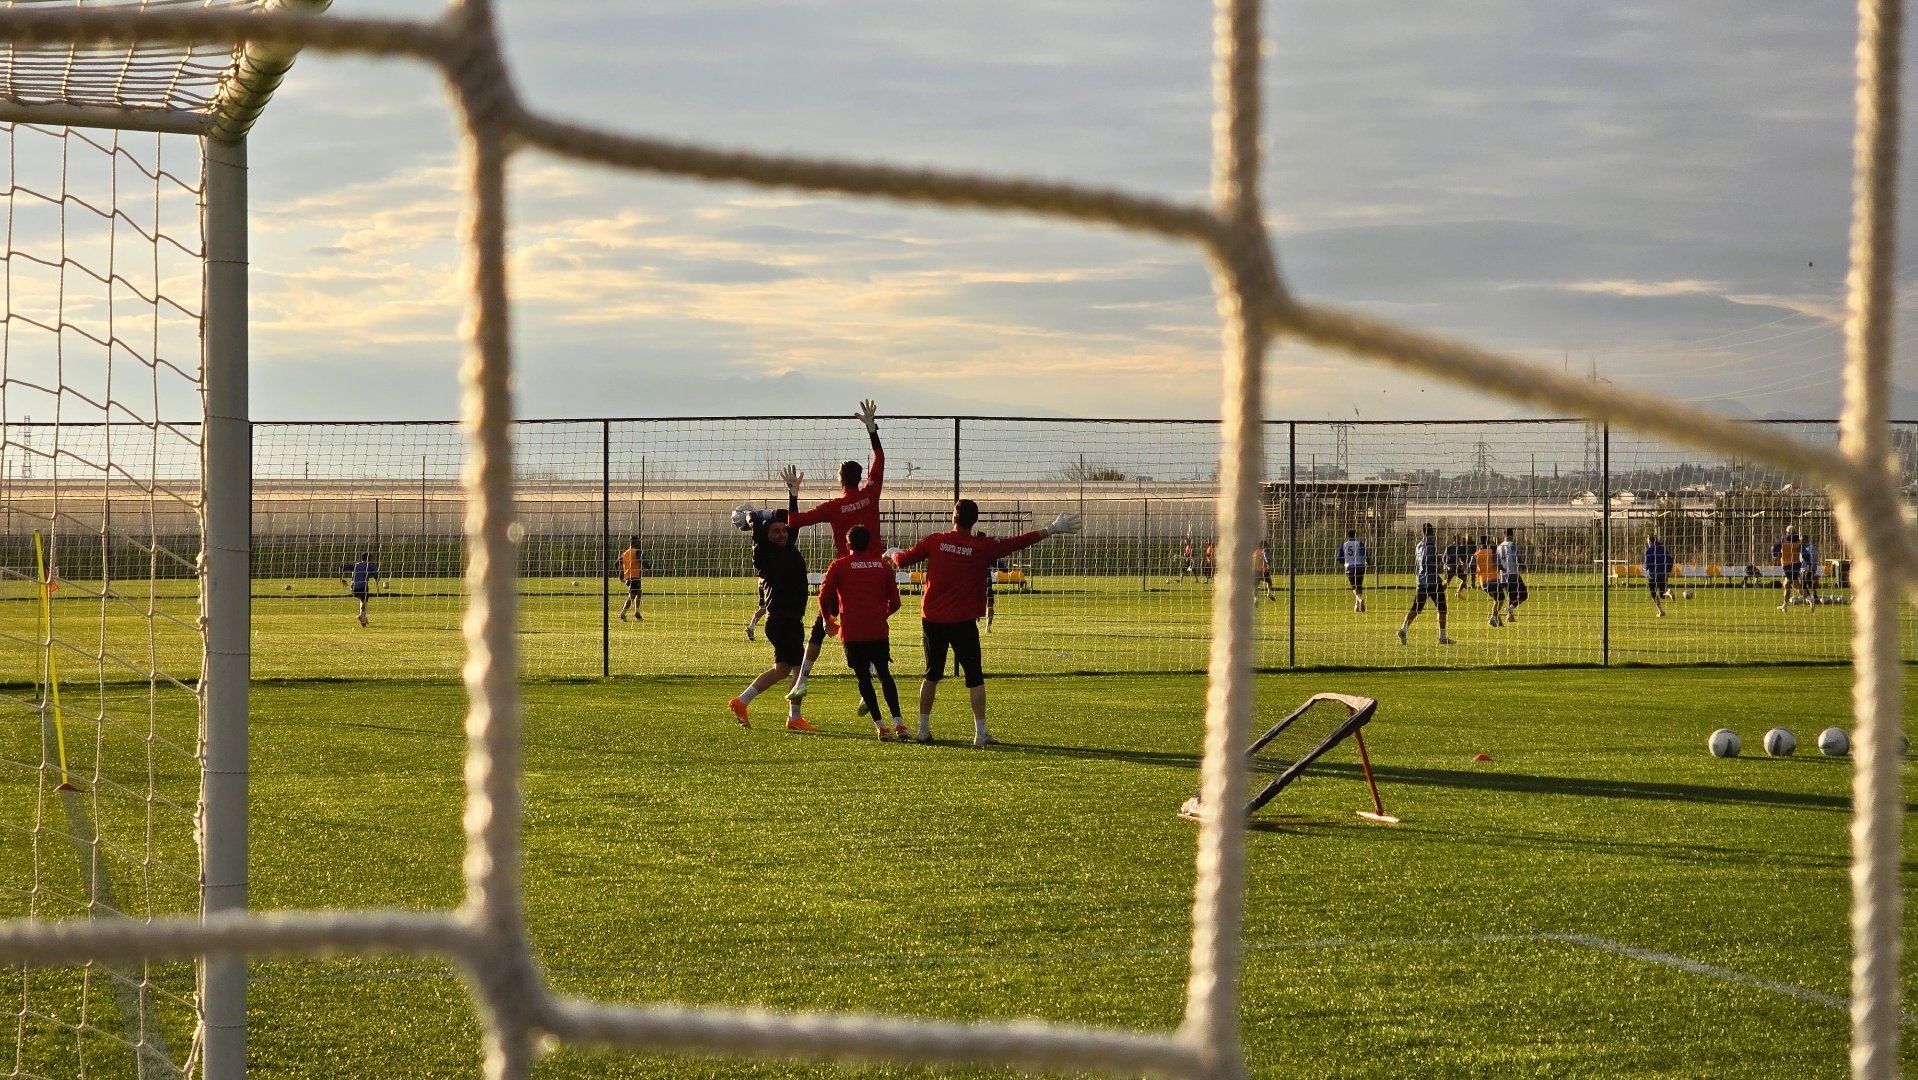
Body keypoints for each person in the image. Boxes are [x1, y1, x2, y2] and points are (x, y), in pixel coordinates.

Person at [893, 499, 1082, 746]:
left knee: (931, 675)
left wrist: (892, 553)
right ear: (974, 521)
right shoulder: (981, 546)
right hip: (963, 621)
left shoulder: (935, 540)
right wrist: (1051, 529)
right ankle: (980, 733)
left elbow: (902, 560)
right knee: (974, 677)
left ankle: (923, 729)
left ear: (953, 517)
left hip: (933, 619)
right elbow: (1018, 542)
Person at [784, 399, 884, 707]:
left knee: (820, 625)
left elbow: (794, 522)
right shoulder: (870, 495)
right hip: (875, 572)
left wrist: (793, 493)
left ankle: (802, 679)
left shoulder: (834, 507)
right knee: (870, 631)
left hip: (845, 573)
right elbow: (879, 458)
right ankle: (867, 687)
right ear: (859, 477)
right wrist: (871, 429)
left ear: (840, 479)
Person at [727, 487, 817, 732]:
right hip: (783, 620)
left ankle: (741, 701)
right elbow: (753, 522)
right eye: (776, 531)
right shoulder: (764, 552)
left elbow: (792, 520)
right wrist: (757, 516)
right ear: (765, 535)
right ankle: (794, 717)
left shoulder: (787, 546)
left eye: (783, 530)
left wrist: (793, 495)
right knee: (799, 670)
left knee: (781, 670)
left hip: (786, 620)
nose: (782, 534)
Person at [817, 524, 907, 740]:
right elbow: (895, 603)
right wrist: (880, 615)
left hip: (853, 632)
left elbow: (823, 596)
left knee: (863, 678)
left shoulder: (838, 566)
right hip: (877, 630)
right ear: (870, 543)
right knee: (885, 674)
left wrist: (828, 619)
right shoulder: (882, 567)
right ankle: (899, 723)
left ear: (848, 544)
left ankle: (881, 726)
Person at [1397, 522, 1454, 645]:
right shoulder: (1431, 545)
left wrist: (1439, 559)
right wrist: (1442, 568)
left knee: (1416, 608)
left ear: (1422, 532)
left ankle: (1403, 629)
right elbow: (1428, 562)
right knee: (1442, 609)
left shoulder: (1418, 545)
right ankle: (1442, 637)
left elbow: (1421, 561)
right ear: (1432, 532)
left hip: (1421, 581)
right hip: (1432, 582)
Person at [1496, 527, 1529, 620]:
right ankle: (1510, 609)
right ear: (1512, 535)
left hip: (1503, 575)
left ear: (1504, 535)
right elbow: (1516, 557)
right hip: (1513, 573)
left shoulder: (1499, 547)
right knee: (1524, 595)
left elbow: (1497, 562)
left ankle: (1509, 616)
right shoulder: (1512, 545)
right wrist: (1522, 565)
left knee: (1511, 596)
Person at [342, 552, 381, 628]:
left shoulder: (356, 564)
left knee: (362, 600)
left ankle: (363, 618)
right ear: (369, 558)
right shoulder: (370, 565)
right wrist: (377, 580)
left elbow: (342, 567)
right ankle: (361, 615)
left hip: (353, 588)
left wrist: (342, 579)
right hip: (362, 586)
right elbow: (376, 575)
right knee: (364, 600)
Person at [1474, 534, 1504, 626]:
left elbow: (1471, 567)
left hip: (1483, 582)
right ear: (1489, 542)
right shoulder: (1492, 552)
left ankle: (1498, 621)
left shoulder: (1476, 554)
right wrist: (1502, 567)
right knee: (1501, 599)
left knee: (1496, 599)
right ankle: (1492, 617)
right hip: (1493, 580)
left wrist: (1478, 571)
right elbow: (1498, 564)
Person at [1772, 526, 1803, 611]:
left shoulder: (1784, 540)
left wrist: (1776, 554)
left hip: (1788, 566)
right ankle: (1784, 605)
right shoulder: (1799, 541)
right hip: (1796, 565)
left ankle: (1808, 597)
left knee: (1794, 585)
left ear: (1787, 532)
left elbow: (1775, 551)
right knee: (1787, 585)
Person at [617, 536, 647, 622]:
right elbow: (642, 560)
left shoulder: (625, 553)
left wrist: (620, 575)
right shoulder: (637, 552)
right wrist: (647, 566)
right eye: (638, 542)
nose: (639, 543)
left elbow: (616, 564)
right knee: (632, 596)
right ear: (634, 543)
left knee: (639, 592)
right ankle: (622, 613)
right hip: (635, 577)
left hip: (628, 577)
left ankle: (637, 612)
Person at [1643, 533, 1673, 619]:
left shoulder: (1649, 550)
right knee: (1663, 594)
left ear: (1649, 541)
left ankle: (1660, 611)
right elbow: (1670, 559)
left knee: (1653, 593)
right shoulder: (1663, 549)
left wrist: (1646, 568)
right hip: (1663, 574)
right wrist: (1668, 571)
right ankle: (1669, 592)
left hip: (1653, 575)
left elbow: (1648, 563)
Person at [1339, 529, 1367, 612]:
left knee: (1354, 587)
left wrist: (1345, 562)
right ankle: (1357, 607)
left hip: (1349, 568)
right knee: (1359, 586)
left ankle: (1360, 600)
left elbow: (1339, 558)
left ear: (1347, 536)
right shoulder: (1359, 544)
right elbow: (1364, 554)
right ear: (1355, 535)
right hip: (1360, 567)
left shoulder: (1344, 545)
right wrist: (1368, 561)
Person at [1444, 534, 1471, 598]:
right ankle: (1440, 593)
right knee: (1447, 583)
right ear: (1454, 540)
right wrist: (1447, 566)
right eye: (1458, 539)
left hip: (1457, 567)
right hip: (1450, 567)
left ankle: (1458, 593)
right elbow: (1443, 558)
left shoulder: (1460, 548)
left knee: (1464, 578)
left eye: (1460, 539)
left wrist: (1463, 564)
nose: (1459, 541)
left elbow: (1461, 557)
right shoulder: (1449, 547)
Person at [745, 577, 770, 641]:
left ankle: (751, 627)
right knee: (766, 608)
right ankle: (751, 627)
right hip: (766, 583)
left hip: (762, 583)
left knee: (763, 608)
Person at [1799, 536, 1821, 607]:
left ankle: (1813, 595)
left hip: (1809, 568)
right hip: (1802, 569)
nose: (1801, 542)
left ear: (1806, 540)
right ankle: (1809, 596)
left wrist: (1810, 567)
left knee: (1807, 582)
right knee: (1803, 583)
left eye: (1802, 540)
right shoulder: (1801, 548)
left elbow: (1813, 558)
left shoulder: (1811, 548)